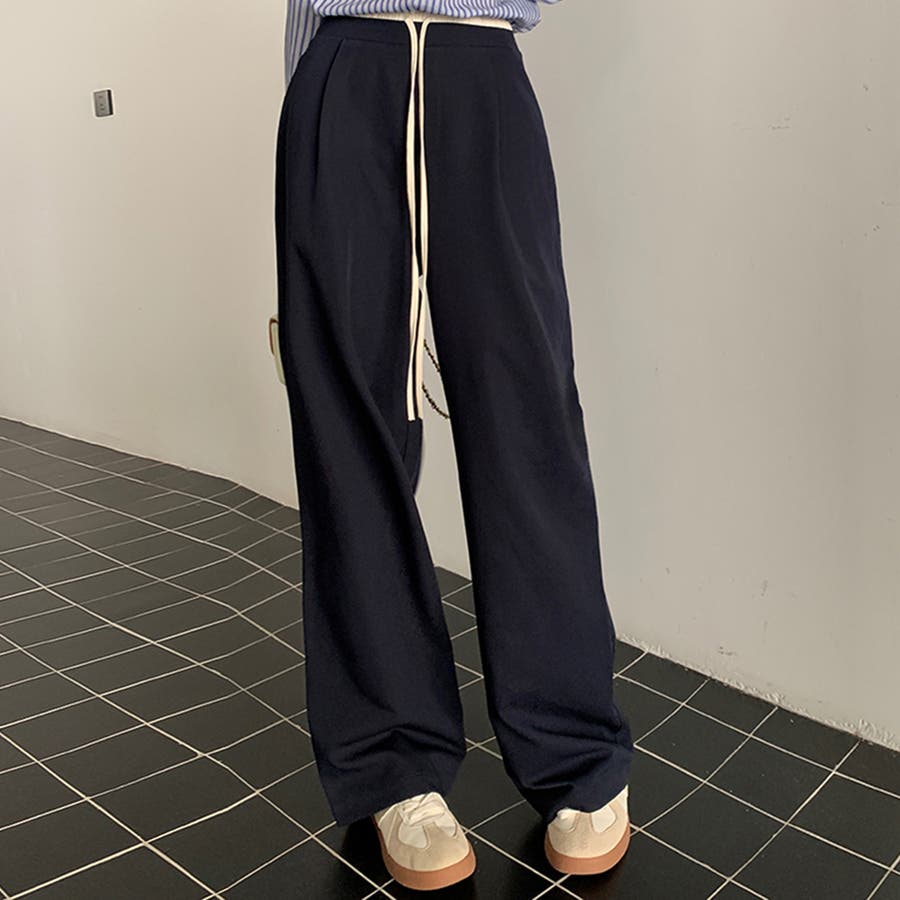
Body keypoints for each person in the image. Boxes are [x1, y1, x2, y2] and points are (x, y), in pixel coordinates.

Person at [274, 0, 634, 890]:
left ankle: (574, 748)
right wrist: (310, 106)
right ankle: (392, 762)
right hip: (343, 61)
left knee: (528, 414)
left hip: (482, 65)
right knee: (350, 428)